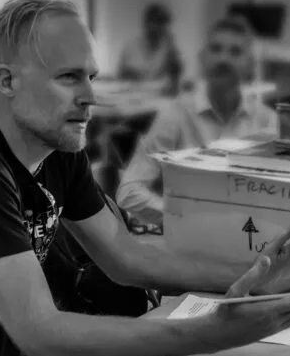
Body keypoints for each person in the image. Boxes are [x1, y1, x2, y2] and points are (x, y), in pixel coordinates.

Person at [0, 0, 290, 356]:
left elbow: (128, 258)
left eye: (91, 77)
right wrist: (215, 332)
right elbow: (42, 332)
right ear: (7, 81)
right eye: (68, 77)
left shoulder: (59, 148)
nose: (90, 97)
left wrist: (260, 277)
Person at [116, 16, 277, 226]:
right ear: (203, 58)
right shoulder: (175, 115)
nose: (223, 59)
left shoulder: (267, 122)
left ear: (250, 65)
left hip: (252, 240)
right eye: (216, 49)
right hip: (189, 242)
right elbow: (129, 192)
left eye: (235, 51)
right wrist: (184, 218)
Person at [118, 2, 183, 95]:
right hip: (132, 95)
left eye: (163, 23)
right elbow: (121, 76)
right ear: (146, 23)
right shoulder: (130, 47)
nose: (159, 28)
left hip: (159, 96)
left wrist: (172, 48)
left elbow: (177, 74)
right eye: (156, 22)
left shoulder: (169, 48)